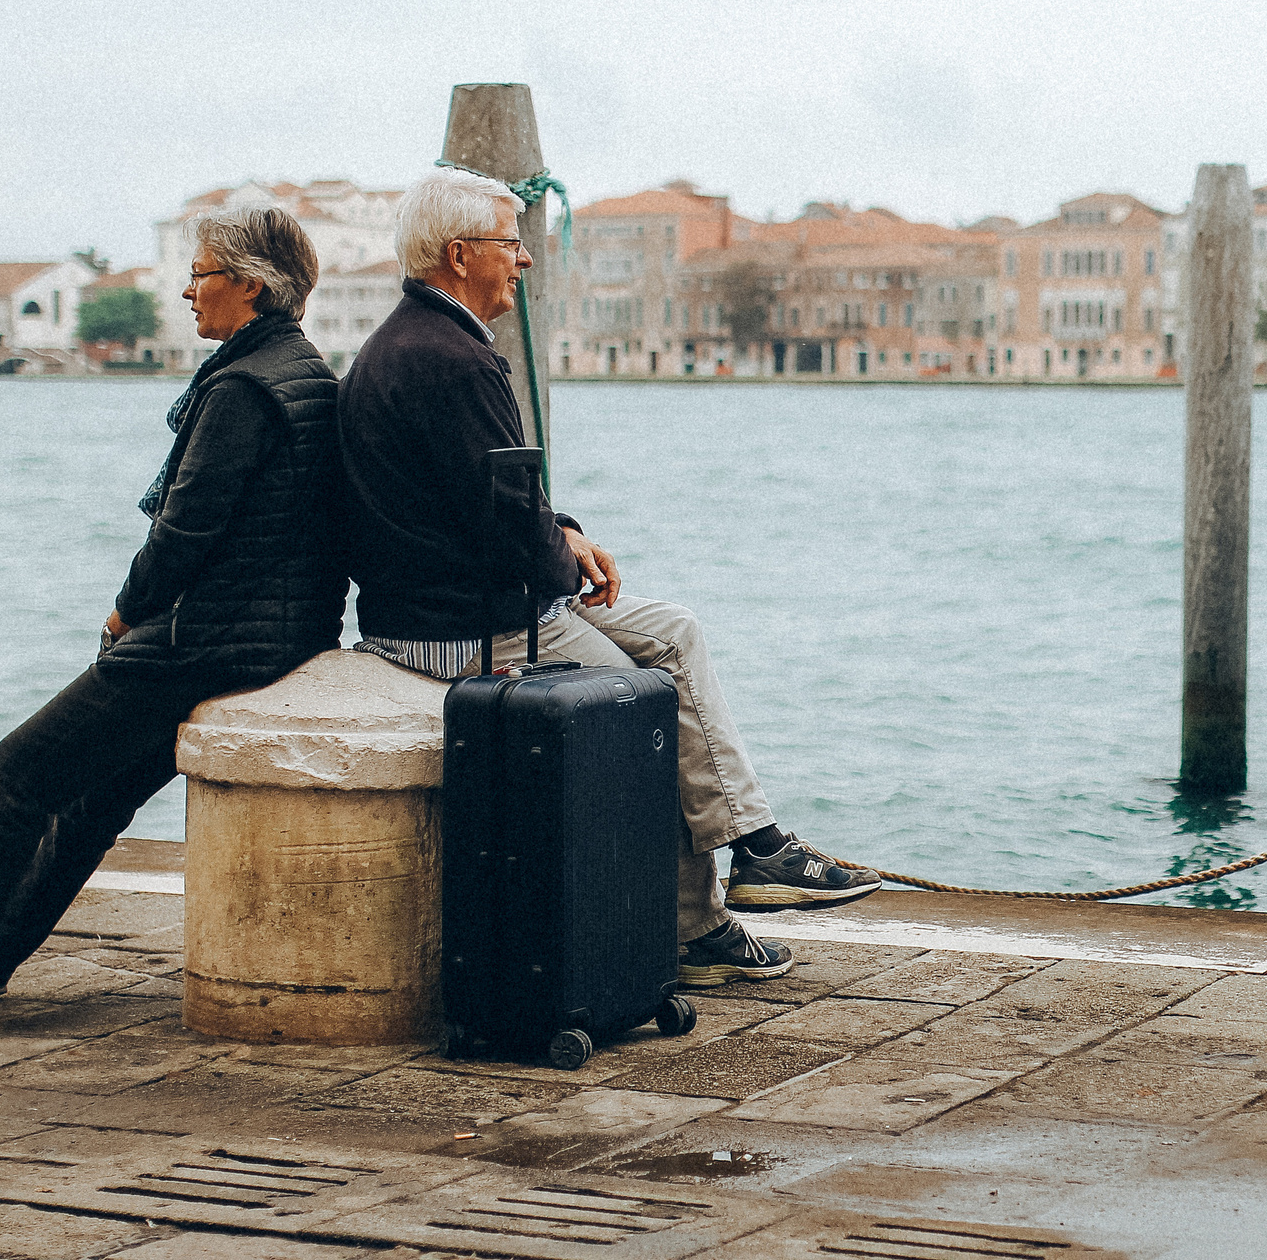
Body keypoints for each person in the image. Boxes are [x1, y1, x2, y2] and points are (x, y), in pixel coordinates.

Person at [340, 166, 877, 988]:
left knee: (674, 631)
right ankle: (701, 922)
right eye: (511, 243)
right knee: (646, 701)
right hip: (465, 624)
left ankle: (757, 846)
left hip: (470, 599)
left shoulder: (419, 344)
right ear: (459, 254)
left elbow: (493, 497)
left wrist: (565, 535)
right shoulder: (450, 362)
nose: (524, 259)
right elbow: (504, 522)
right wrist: (559, 556)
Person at [0, 208, 347, 1014]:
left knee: (16, 774)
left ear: (249, 285)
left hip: (209, 640)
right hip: (281, 635)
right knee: (93, 802)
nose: (187, 290)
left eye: (200, 274)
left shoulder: (242, 388)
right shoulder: (307, 372)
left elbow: (184, 534)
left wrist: (124, 616)